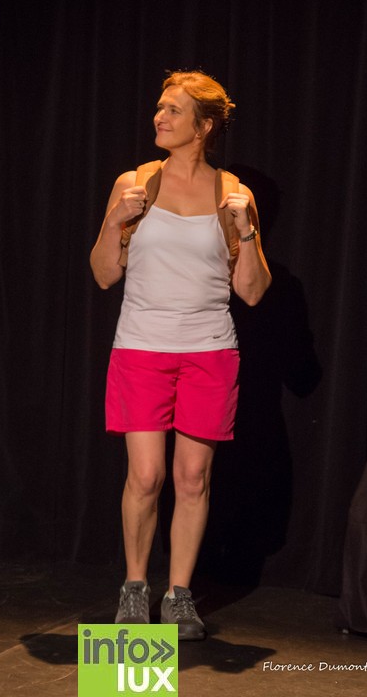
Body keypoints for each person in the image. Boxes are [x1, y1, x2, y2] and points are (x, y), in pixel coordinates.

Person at [90, 70, 271, 640]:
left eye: (172, 110)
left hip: (209, 351)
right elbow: (103, 275)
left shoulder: (232, 193)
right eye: (159, 107)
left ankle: (179, 595)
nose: (159, 117)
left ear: (204, 125)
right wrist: (114, 222)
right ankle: (134, 587)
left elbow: (252, 291)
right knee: (145, 476)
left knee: (192, 478)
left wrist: (247, 231)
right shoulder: (135, 184)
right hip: (141, 346)